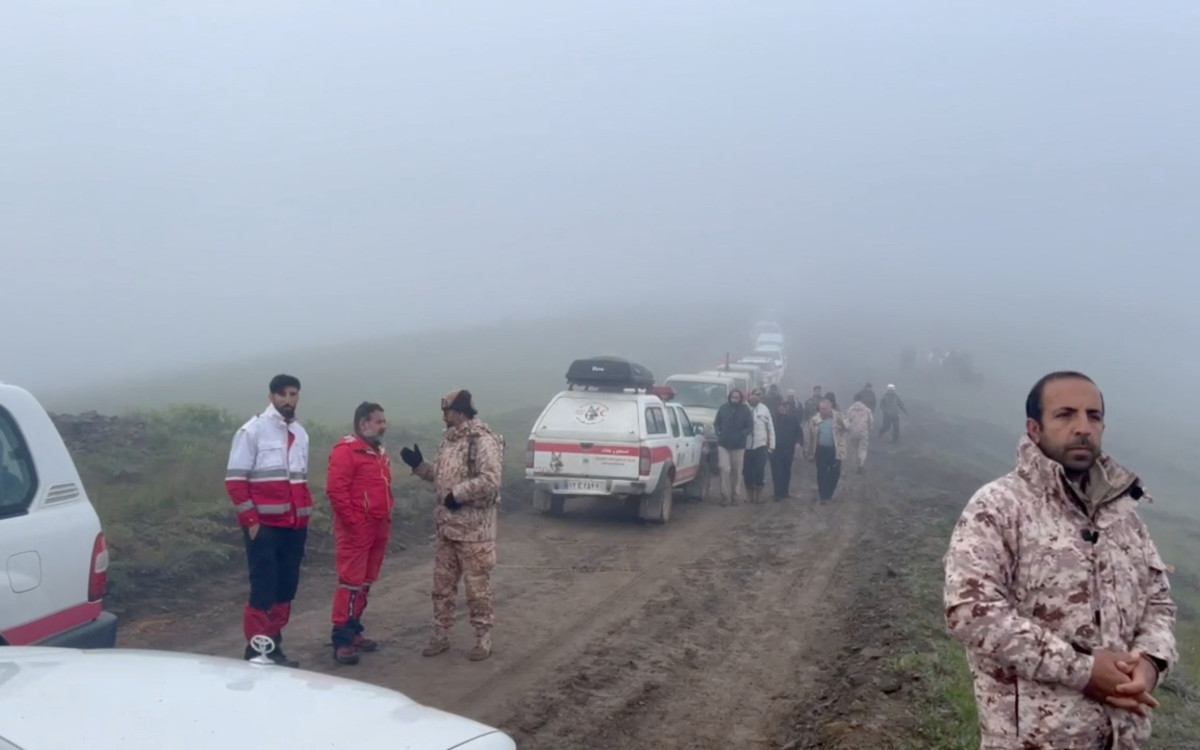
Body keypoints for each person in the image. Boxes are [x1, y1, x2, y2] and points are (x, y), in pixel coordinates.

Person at [943, 371, 1177, 749]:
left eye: (1094, 416)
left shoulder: (1124, 517)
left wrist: (1150, 663)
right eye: (1066, 414)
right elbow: (971, 611)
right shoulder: (999, 506)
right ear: (1034, 429)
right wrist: (1083, 671)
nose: (1083, 427)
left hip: (1124, 739)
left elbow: (1159, 602)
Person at [401, 390, 503, 662]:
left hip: (475, 531)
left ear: (458, 412)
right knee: (441, 587)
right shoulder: (449, 441)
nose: (443, 416)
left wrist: (457, 495)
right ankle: (441, 635)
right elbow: (442, 477)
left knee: (476, 588)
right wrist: (421, 467)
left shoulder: (483, 441)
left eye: (446, 411)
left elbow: (490, 480)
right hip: (447, 527)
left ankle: (483, 638)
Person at [224, 374, 311, 667]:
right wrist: (251, 522)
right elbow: (235, 481)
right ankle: (256, 650)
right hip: (264, 527)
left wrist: (304, 517)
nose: (289, 400)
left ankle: (274, 645)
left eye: (293, 394)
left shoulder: (300, 433)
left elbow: (300, 480)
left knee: (286, 587)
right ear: (271, 396)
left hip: (295, 526)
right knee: (264, 586)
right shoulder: (252, 431)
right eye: (283, 394)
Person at [326, 402, 394, 665]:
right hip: (357, 527)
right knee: (350, 582)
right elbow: (336, 491)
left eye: (383, 421)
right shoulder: (346, 451)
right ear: (363, 423)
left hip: (378, 525)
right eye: (378, 421)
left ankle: (353, 629)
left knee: (366, 581)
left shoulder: (376, 451)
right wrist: (353, 521)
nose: (383, 426)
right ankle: (341, 638)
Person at [803, 398, 849, 502]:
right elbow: (809, 436)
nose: (822, 411)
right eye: (820, 409)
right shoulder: (815, 420)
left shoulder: (838, 417)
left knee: (835, 473)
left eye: (824, 409)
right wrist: (808, 452)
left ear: (830, 408)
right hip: (820, 450)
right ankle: (823, 496)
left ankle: (830, 492)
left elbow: (848, 427)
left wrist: (842, 422)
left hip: (835, 450)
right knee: (822, 473)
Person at [713, 389, 753, 506]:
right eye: (733, 397)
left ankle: (735, 496)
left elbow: (750, 426)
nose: (734, 399)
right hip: (723, 444)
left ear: (740, 398)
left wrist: (742, 434)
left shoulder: (745, 410)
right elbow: (716, 423)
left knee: (737, 471)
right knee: (724, 469)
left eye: (737, 397)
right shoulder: (723, 408)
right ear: (729, 397)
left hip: (738, 445)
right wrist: (719, 432)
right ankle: (724, 497)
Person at [742, 388, 776, 504]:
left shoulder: (764, 409)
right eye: (754, 394)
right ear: (749, 396)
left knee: (760, 470)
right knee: (747, 471)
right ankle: (749, 494)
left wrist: (771, 445)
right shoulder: (743, 408)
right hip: (746, 446)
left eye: (759, 395)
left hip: (760, 445)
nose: (756, 397)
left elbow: (770, 427)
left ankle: (759, 494)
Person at [769, 397, 801, 500]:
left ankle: (785, 492)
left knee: (786, 471)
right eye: (781, 406)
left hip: (788, 449)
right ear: (778, 408)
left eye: (785, 407)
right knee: (776, 471)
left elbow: (799, 433)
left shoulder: (793, 419)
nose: (783, 409)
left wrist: (798, 443)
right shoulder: (772, 419)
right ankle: (777, 493)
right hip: (775, 449)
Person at [845, 394, 874, 473]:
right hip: (863, 432)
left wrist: (848, 428)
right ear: (862, 400)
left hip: (853, 432)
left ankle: (855, 460)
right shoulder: (867, 409)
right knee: (863, 448)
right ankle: (861, 463)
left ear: (854, 399)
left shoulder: (850, 409)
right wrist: (870, 428)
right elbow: (870, 420)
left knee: (854, 448)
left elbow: (846, 420)